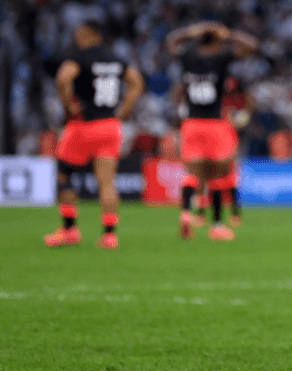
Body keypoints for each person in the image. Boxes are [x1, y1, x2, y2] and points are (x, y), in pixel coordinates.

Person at [44, 21, 144, 250]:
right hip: (109, 125)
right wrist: (124, 110)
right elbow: (137, 82)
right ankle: (110, 235)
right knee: (107, 182)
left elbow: (63, 79)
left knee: (64, 174)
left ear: (90, 34)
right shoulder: (116, 59)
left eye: (80, 33)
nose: (77, 37)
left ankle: (70, 230)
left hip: (82, 125)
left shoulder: (79, 57)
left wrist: (70, 106)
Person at [166, 22, 259, 242]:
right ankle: (217, 225)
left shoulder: (188, 57)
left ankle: (186, 212)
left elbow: (170, 42)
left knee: (193, 173)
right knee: (218, 174)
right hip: (215, 124)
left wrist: (189, 30)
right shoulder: (221, 58)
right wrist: (228, 34)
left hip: (191, 124)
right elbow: (252, 46)